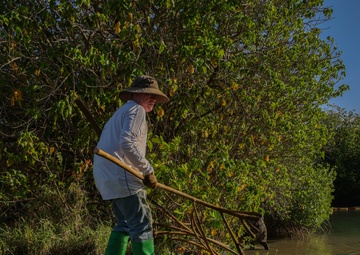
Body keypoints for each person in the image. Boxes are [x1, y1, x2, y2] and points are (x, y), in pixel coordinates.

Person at [93, 75, 169, 255]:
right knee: (142, 225)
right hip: (122, 176)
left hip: (107, 177)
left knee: (124, 224)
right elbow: (127, 143)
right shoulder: (137, 110)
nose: (153, 99)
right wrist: (148, 170)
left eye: (154, 96)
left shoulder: (123, 111)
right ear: (135, 94)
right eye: (148, 94)